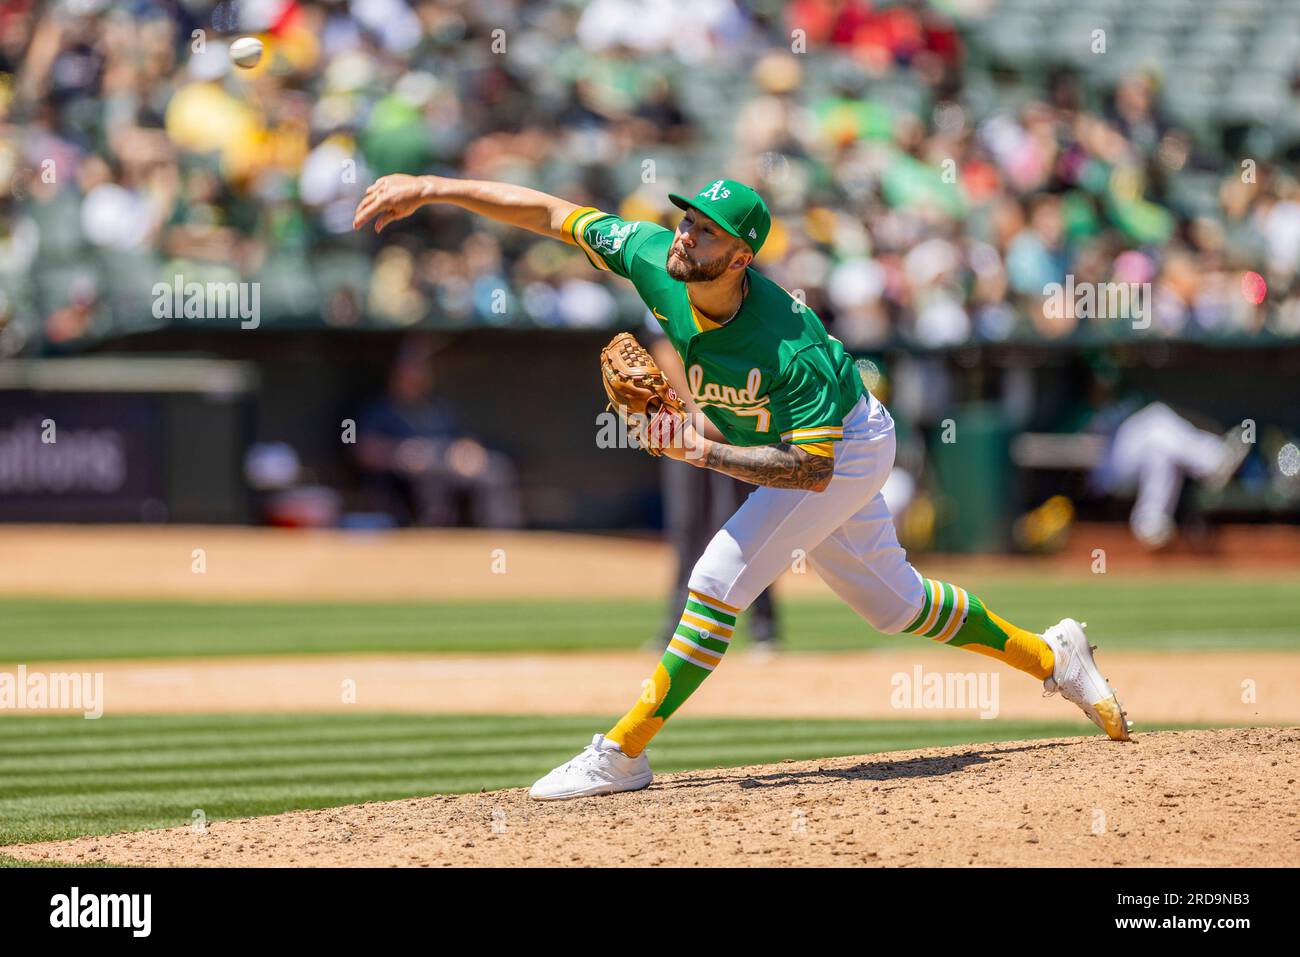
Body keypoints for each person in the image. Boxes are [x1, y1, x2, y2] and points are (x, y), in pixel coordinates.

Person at [353, 173, 1133, 803]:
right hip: (807, 447)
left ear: (741, 257)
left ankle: (621, 752)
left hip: (847, 446)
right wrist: (432, 186)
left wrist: (699, 448)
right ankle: (1053, 655)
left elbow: (813, 469)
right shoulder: (656, 256)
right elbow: (554, 214)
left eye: (706, 231)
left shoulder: (788, 345)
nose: (685, 234)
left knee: (717, 575)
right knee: (894, 604)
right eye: (687, 220)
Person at [646, 327, 781, 655]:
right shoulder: (670, 283)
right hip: (687, 421)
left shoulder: (746, 286)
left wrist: (738, 411)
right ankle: (678, 628)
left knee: (754, 520)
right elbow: (662, 346)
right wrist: (697, 410)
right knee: (688, 523)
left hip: (743, 417)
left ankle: (764, 627)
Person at [354, 336, 523, 529]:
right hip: (407, 479)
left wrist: (467, 452)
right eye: (408, 373)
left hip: (449, 466)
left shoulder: (438, 408)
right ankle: (433, 535)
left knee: (495, 467)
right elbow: (362, 451)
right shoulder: (379, 410)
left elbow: (465, 438)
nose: (414, 378)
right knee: (432, 473)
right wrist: (402, 453)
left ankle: (501, 535)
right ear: (394, 376)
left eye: (419, 372)